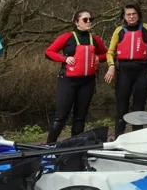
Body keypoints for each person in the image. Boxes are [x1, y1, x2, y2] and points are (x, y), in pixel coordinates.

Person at [44, 10, 107, 144]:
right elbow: (49, 52)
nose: (89, 22)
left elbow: (106, 55)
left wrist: (98, 57)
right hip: (67, 81)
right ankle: (49, 146)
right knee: (61, 116)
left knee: (80, 117)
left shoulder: (95, 39)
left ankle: (75, 147)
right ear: (76, 22)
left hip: (87, 82)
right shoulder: (67, 37)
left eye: (91, 19)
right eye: (85, 20)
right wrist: (64, 58)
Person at [104, 3, 147, 136]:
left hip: (142, 72)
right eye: (128, 14)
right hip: (123, 72)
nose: (132, 17)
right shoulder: (119, 31)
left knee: (139, 107)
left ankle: (136, 138)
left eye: (134, 14)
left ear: (138, 15)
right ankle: (118, 139)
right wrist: (111, 65)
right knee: (122, 107)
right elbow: (110, 52)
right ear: (124, 16)